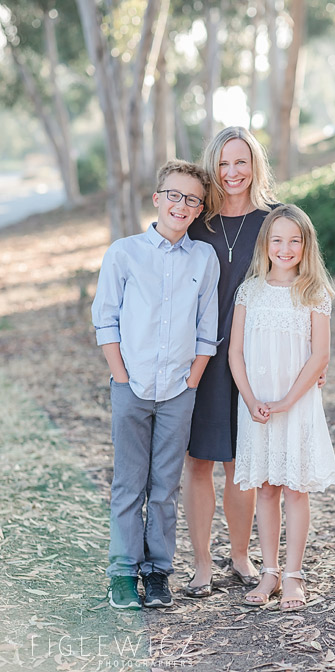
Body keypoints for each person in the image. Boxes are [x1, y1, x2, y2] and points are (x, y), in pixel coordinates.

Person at [92, 160, 219, 609]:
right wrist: (122, 378)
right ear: (157, 198)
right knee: (129, 484)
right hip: (132, 386)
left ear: (199, 208)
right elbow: (105, 320)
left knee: (164, 486)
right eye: (174, 195)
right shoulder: (124, 253)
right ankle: (123, 573)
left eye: (192, 199)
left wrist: (192, 381)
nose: (181, 205)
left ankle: (158, 571)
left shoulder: (203, 259)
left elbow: (208, 328)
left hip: (178, 391)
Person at [182, 126, 278, 596]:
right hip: (198, 357)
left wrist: (315, 362)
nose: (232, 172)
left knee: (241, 464)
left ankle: (240, 557)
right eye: (223, 163)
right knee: (198, 461)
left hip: (253, 360)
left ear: (255, 164)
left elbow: (303, 290)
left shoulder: (276, 221)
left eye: (240, 161)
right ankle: (201, 564)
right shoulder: (197, 223)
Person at [229, 204, 335, 611]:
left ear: (306, 245)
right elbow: (235, 353)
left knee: (295, 487)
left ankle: (293, 575)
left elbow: (320, 356)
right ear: (266, 245)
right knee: (267, 488)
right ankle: (269, 571)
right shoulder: (250, 291)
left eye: (295, 240)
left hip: (296, 402)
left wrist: (288, 401)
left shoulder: (314, 294)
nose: (286, 247)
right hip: (256, 403)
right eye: (278, 239)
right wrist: (251, 399)